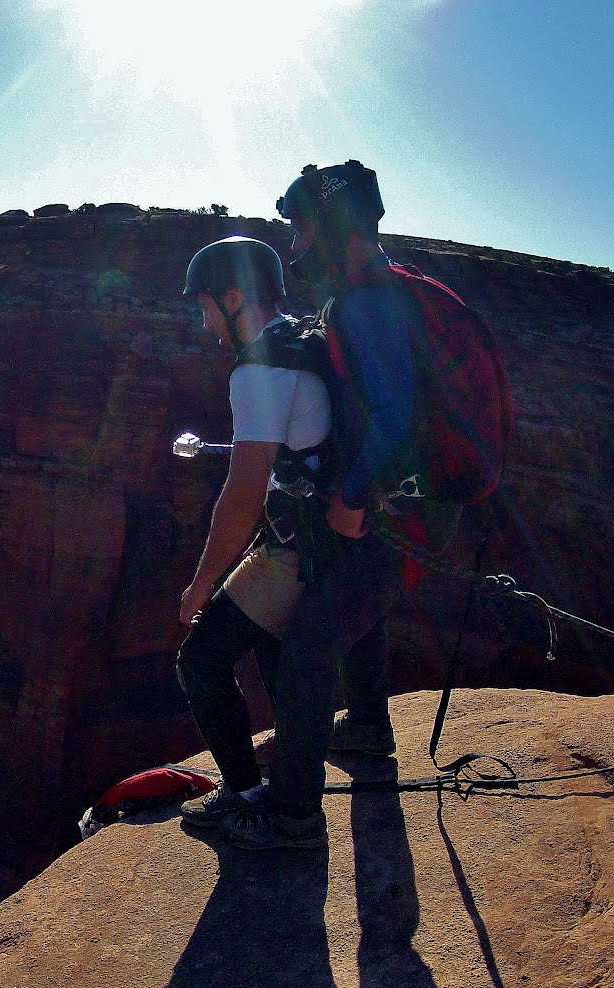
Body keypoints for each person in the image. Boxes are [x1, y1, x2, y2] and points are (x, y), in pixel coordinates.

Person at [225, 160, 437, 851]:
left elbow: (396, 414)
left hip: (398, 502)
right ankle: (370, 727)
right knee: (353, 601)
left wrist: (351, 496)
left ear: (330, 225)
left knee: (311, 643)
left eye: (301, 227)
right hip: (408, 498)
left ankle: (290, 817)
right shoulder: (381, 287)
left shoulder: (367, 303)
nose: (294, 246)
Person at [173, 236, 336, 835]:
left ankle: (249, 798)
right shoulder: (299, 340)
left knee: (201, 659)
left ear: (235, 298)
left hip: (299, 550)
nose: (204, 318)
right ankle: (292, 774)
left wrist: (198, 588)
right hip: (323, 537)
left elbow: (241, 497)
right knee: (271, 654)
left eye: (206, 305)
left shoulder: (259, 370)